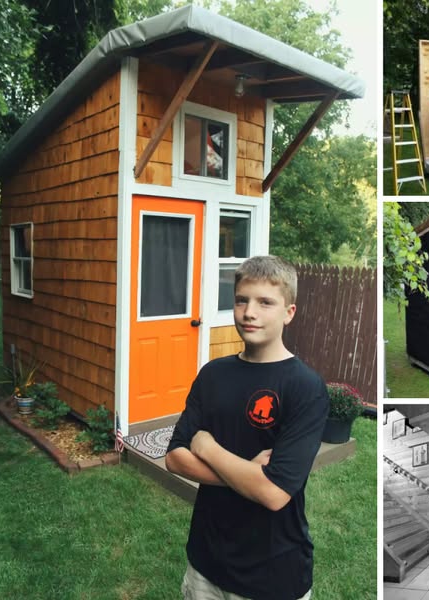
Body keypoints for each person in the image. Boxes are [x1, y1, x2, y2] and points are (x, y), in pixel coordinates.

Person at [166, 255, 329, 600]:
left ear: (289, 312)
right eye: (242, 300)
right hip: (205, 565)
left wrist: (207, 448)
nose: (249, 312)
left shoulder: (305, 387)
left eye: (265, 302)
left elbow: (273, 494)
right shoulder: (213, 374)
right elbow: (175, 458)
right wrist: (248, 474)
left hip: (272, 575)